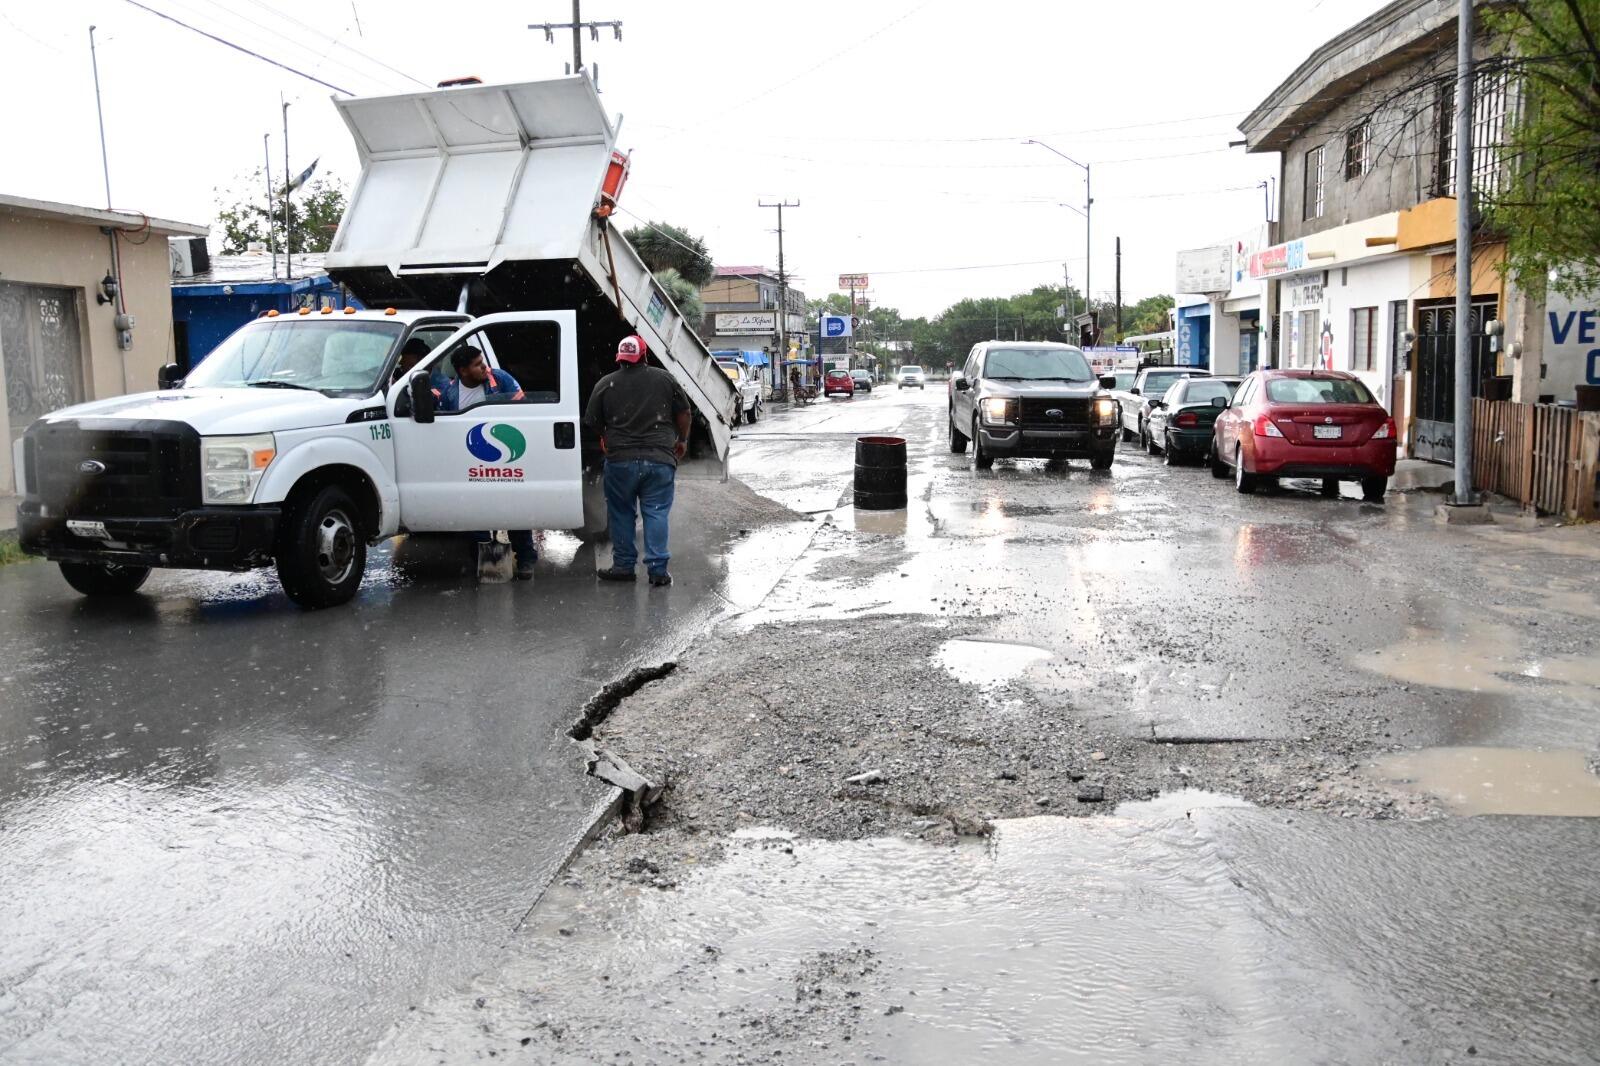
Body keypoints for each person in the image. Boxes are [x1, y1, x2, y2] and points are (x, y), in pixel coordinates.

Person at [583, 334, 691, 587]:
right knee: (655, 513)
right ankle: (657, 571)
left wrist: (605, 436)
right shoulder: (664, 379)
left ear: (620, 359)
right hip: (659, 460)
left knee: (621, 514)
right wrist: (682, 440)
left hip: (620, 461)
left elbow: (592, 421)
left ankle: (623, 567)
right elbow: (684, 412)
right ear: (644, 355)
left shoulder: (605, 384)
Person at [435, 346, 537, 581]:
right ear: (463, 371)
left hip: (504, 455)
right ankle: (481, 560)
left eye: (483, 361)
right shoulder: (451, 394)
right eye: (477, 364)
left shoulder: (500, 380)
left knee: (515, 509)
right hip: (472, 460)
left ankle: (526, 558)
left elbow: (525, 411)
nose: (484, 367)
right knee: (476, 515)